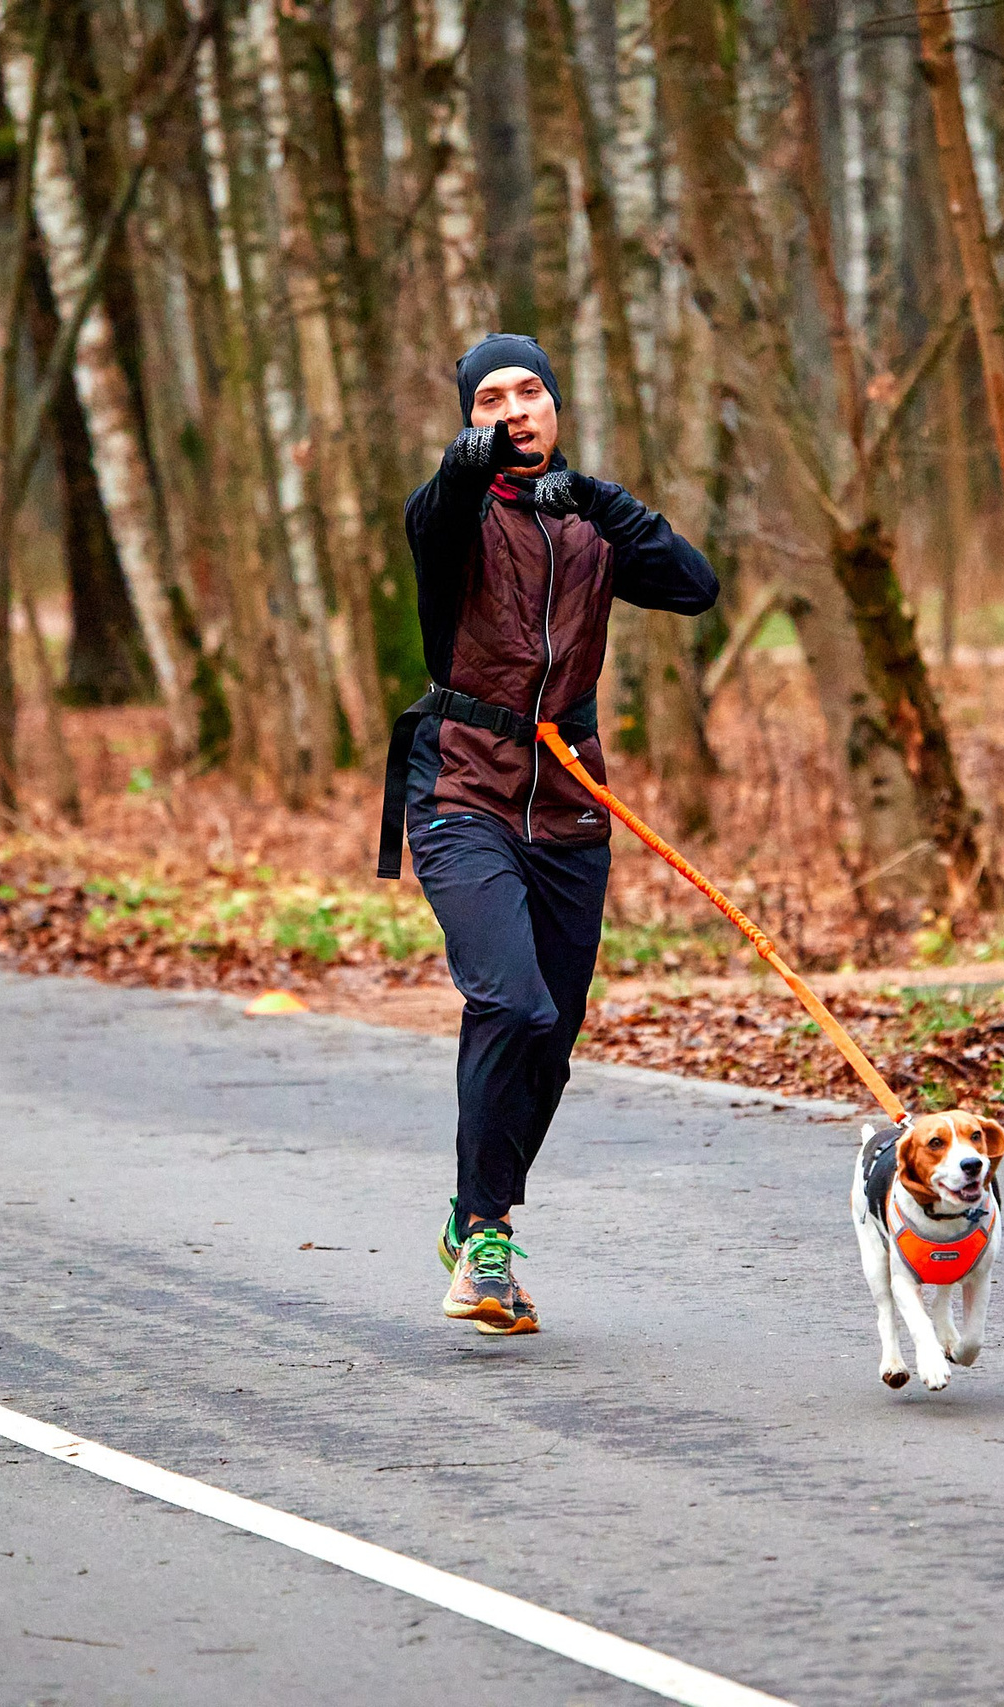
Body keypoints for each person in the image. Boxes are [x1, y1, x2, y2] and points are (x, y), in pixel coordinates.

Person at [382, 333, 719, 1334]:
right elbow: (438, 504)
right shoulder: (449, 516)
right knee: (513, 1002)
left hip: (570, 800)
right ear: (468, 417)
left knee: (555, 1038)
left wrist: (603, 504)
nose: (516, 407)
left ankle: (467, 1205)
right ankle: (487, 1235)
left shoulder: (589, 523)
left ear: (557, 406)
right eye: (491, 397)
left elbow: (694, 586)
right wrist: (471, 463)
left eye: (531, 391)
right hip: (460, 784)